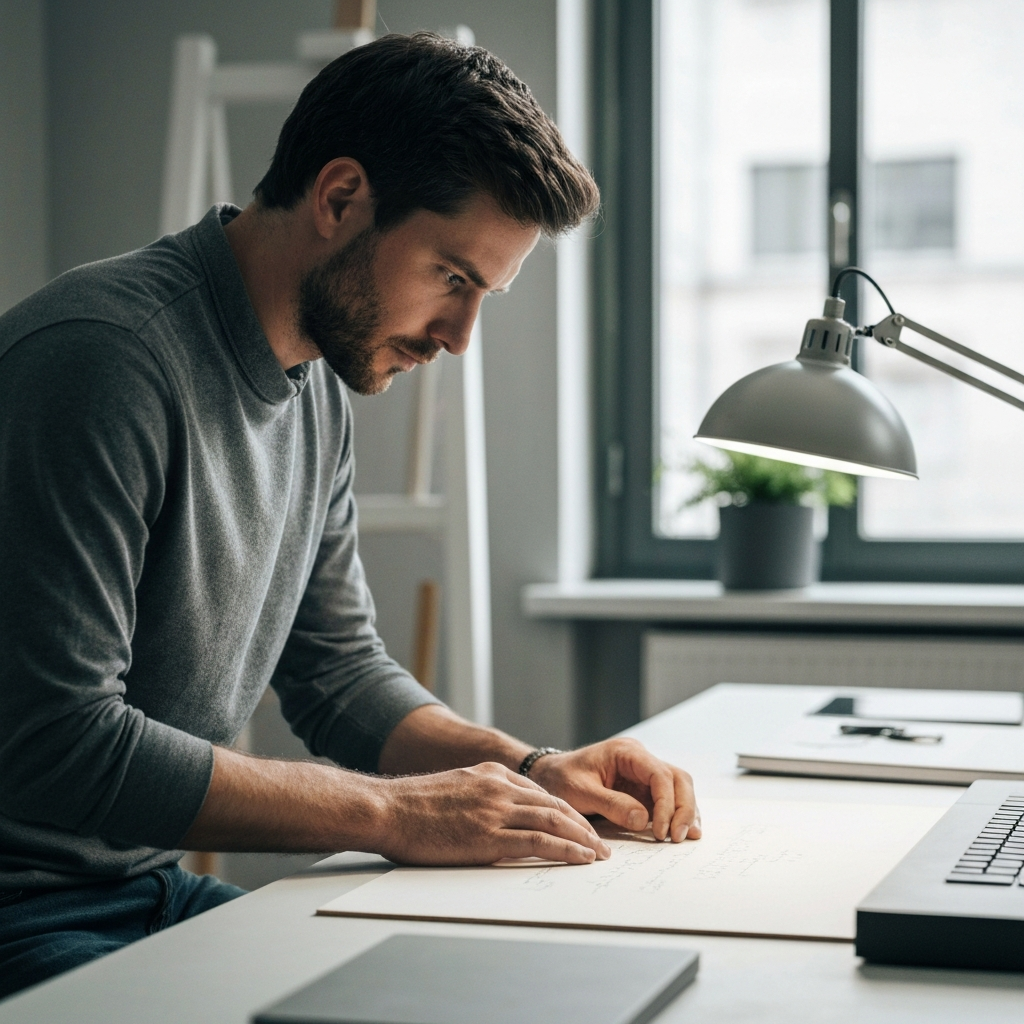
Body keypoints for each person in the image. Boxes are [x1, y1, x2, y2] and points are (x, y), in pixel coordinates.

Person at [0, 32, 700, 1000]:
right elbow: (54, 745)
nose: (459, 337)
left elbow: (334, 671)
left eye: (484, 293)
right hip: (21, 914)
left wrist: (531, 767)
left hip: (137, 889)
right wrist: (387, 812)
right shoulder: (100, 360)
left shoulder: (314, 377)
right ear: (339, 198)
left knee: (489, 995)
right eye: (453, 279)